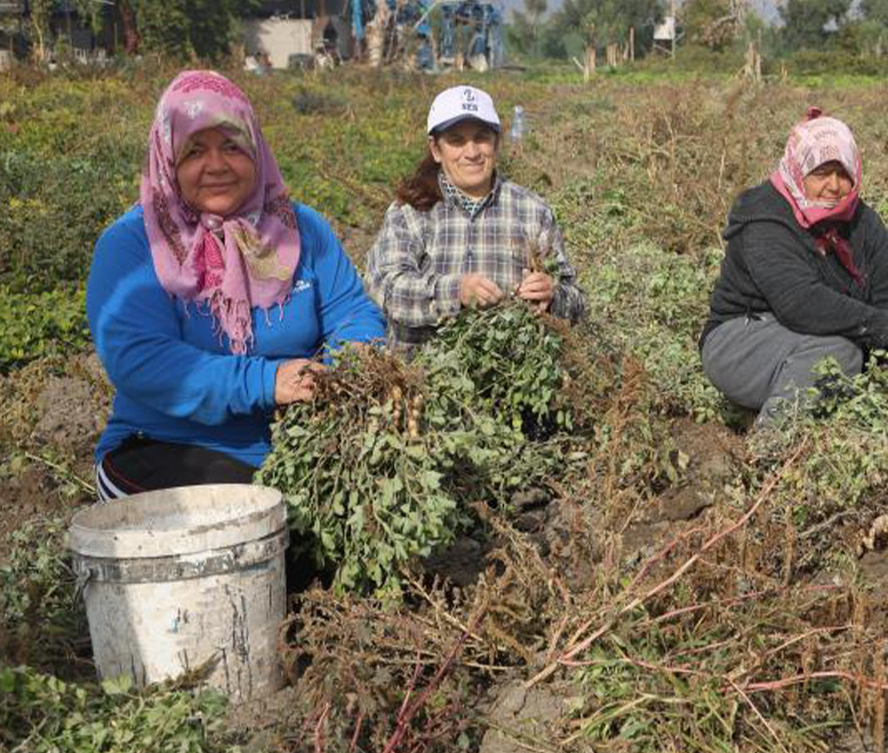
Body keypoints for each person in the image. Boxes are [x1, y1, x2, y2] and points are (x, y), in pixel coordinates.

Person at [88, 70, 387, 501]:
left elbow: (352, 312)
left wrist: (355, 363)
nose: (216, 165)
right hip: (165, 446)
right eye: (195, 150)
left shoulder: (301, 229)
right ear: (168, 158)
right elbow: (141, 359)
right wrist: (268, 381)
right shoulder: (134, 244)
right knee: (259, 512)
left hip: (294, 445)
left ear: (256, 149)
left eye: (232, 145)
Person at [701, 107, 888, 426]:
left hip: (810, 336)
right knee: (838, 354)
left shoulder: (864, 222)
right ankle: (773, 442)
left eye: (843, 174)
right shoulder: (764, 216)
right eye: (821, 173)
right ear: (798, 170)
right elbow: (799, 302)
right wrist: (885, 329)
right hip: (740, 340)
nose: (834, 185)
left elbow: (887, 298)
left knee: (867, 364)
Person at [365, 85, 585, 358]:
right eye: (456, 140)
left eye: (481, 138)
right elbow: (384, 288)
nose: (471, 152)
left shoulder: (532, 211)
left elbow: (577, 302)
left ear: (496, 143)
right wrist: (454, 292)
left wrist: (552, 295)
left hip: (512, 373)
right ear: (436, 149)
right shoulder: (410, 212)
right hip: (421, 373)